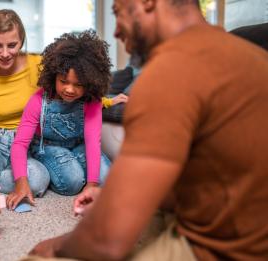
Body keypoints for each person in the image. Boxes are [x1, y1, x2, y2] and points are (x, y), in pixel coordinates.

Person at [26, 0, 268, 260]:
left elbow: (106, 240)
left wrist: (54, 247)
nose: (116, 31)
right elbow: (212, 175)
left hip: (221, 251)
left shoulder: (166, 75)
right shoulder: (254, 57)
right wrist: (120, 195)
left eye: (118, 13)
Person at [0, 9, 125, 199]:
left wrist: (106, 100)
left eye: (12, 45)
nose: (4, 53)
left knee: (37, 181)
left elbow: (75, 79)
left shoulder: (39, 65)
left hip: (29, 140)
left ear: (22, 41)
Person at [6, 30, 112, 209]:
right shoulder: (39, 100)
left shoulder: (92, 102)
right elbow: (20, 144)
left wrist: (92, 184)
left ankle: (72, 168)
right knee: (73, 182)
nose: (70, 89)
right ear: (53, 75)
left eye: (78, 85)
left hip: (76, 145)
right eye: (64, 81)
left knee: (106, 178)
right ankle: (42, 171)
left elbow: (93, 142)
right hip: (46, 147)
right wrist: (21, 182)